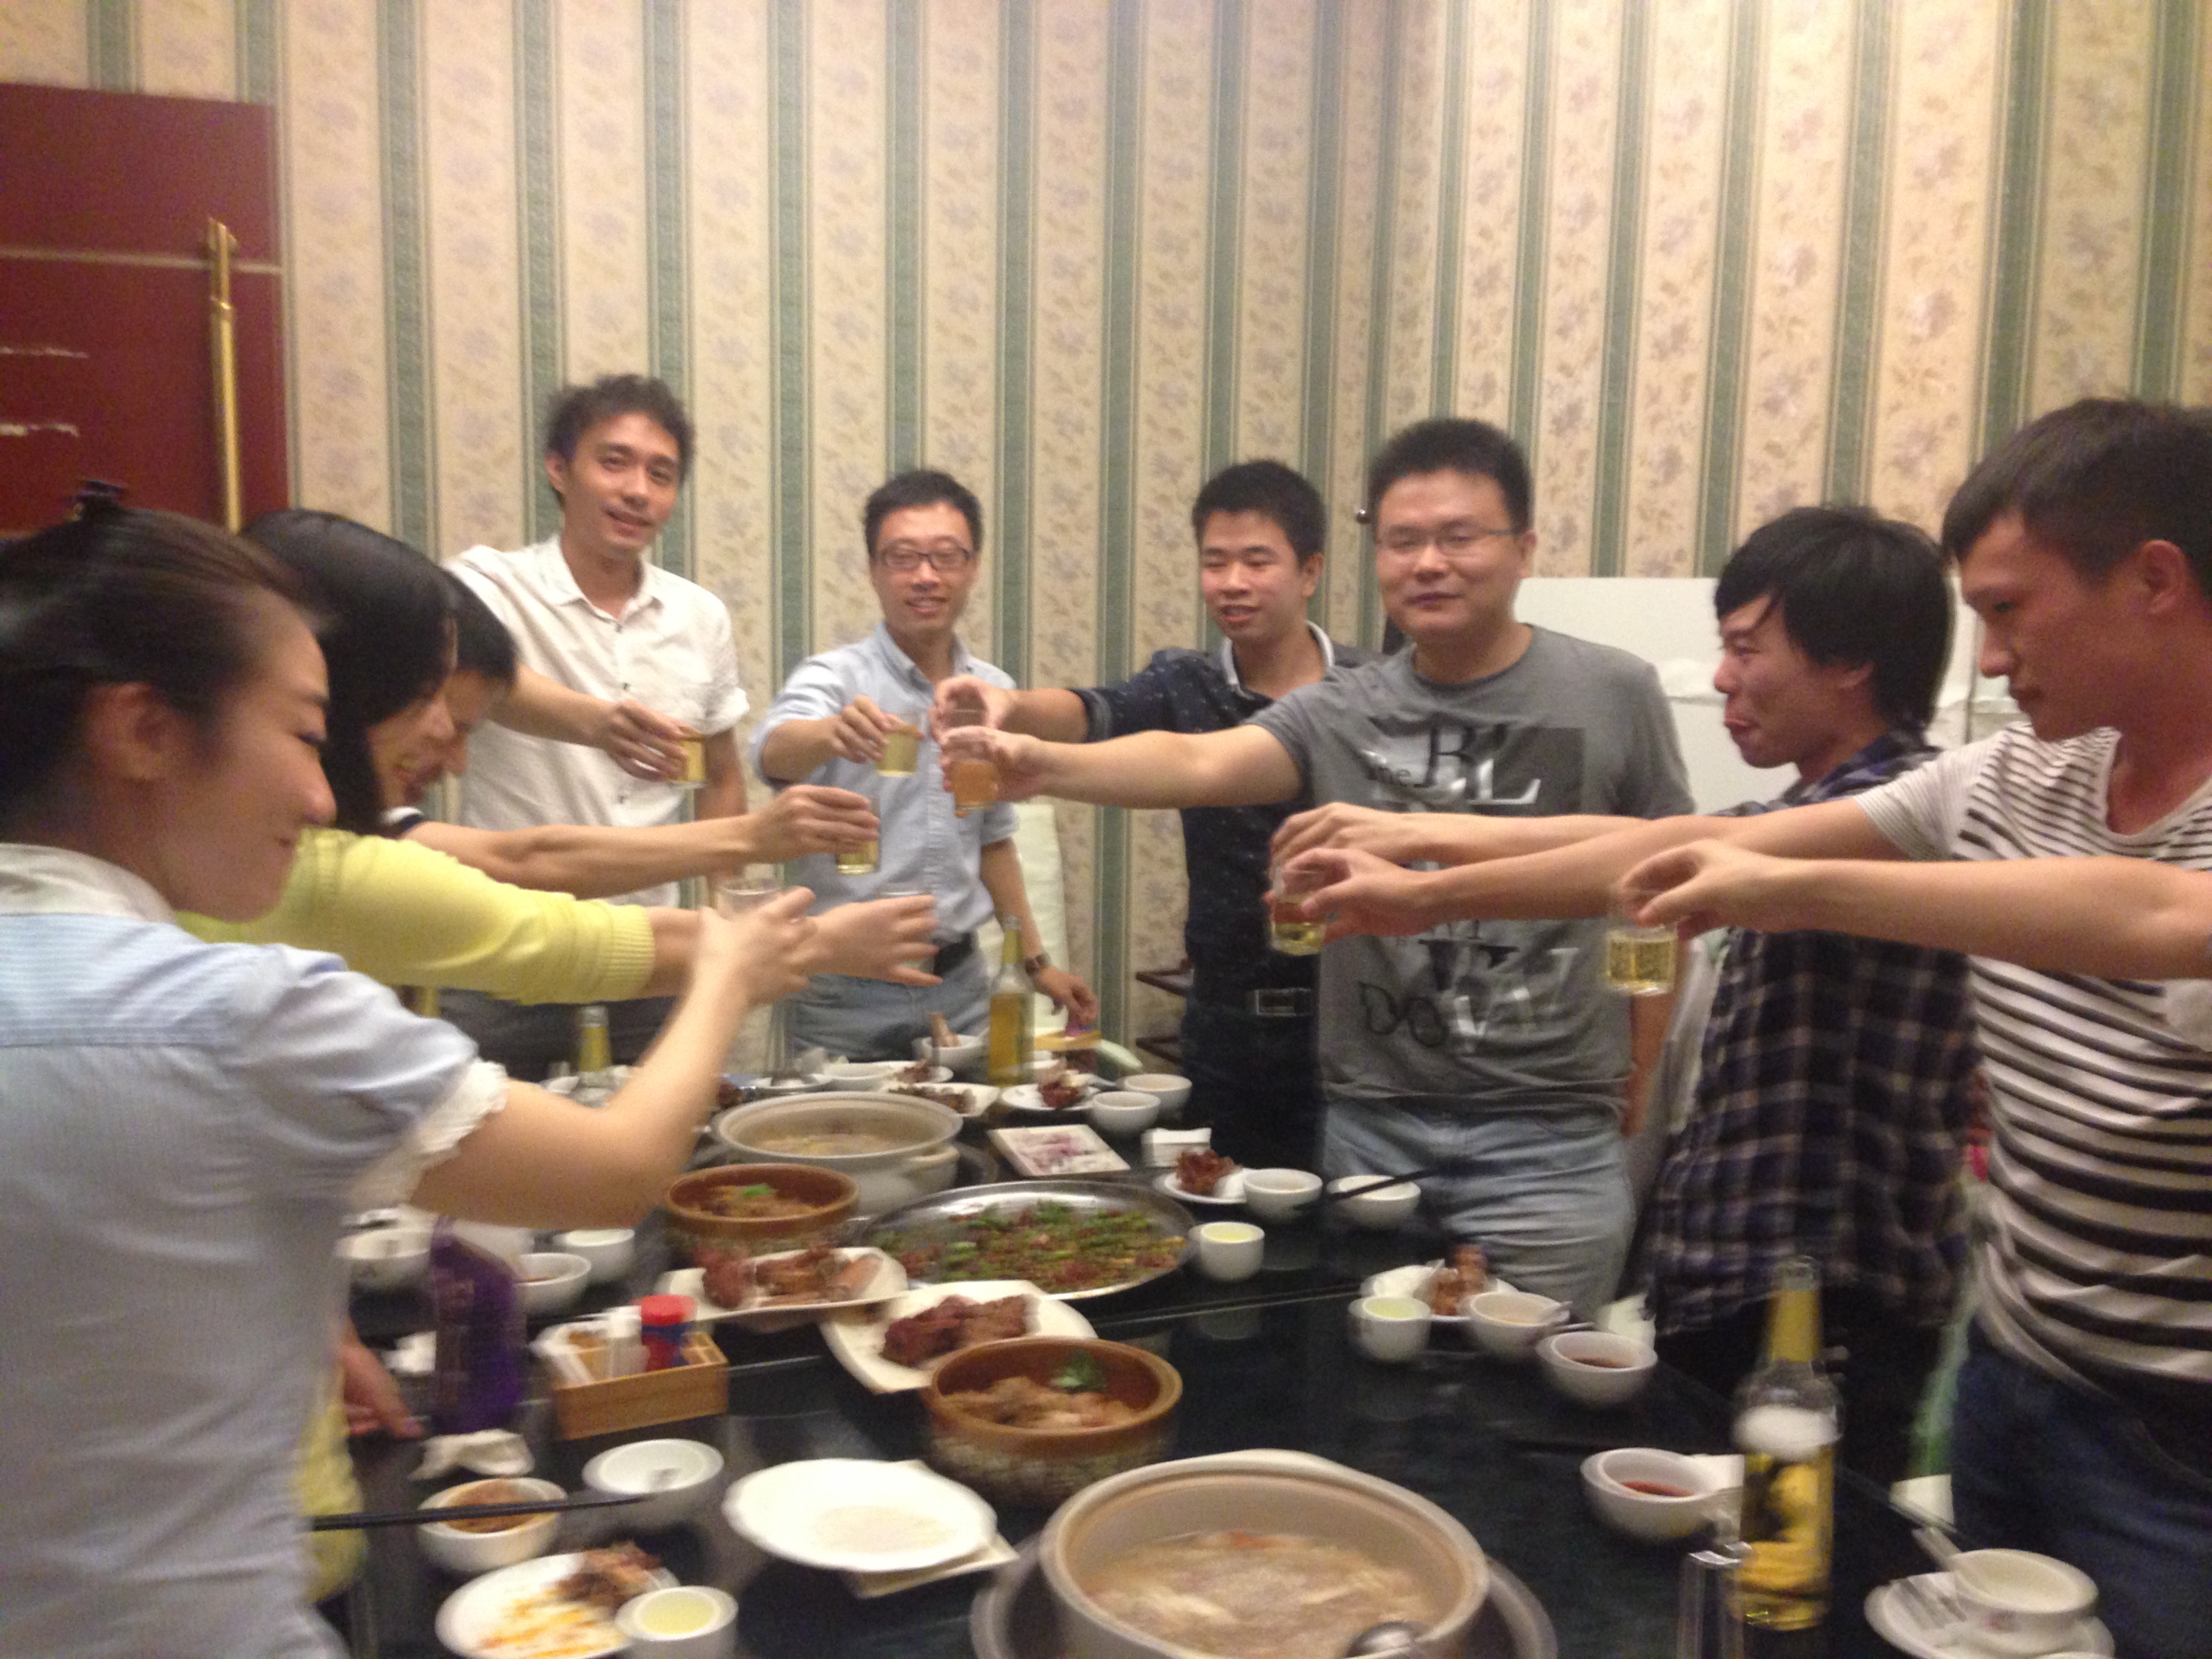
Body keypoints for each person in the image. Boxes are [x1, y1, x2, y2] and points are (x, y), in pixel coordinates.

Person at [1287, 400, 2212, 1659]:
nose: (1989, 659)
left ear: (2152, 582)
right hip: (2016, 1367)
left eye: (2008, 609)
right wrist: (1422, 874)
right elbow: (1686, 843)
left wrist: (1782, 885)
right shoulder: (2005, 778)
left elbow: (2158, 913)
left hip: (2176, 1426)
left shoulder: (2005, 809)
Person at [0, 502, 824, 1654]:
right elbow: (614, 1169)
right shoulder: (241, 1013)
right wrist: (726, 973)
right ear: (143, 729)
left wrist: (287, 1312)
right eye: (303, 734)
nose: (322, 795)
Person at [941, 419, 1693, 1315]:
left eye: (1459, 537)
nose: (1429, 564)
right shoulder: (1345, 706)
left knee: (1533, 1386)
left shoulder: (1613, 691)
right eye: (1403, 541)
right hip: (1376, 1131)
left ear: (1523, 548)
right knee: (1361, 1372)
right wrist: (1039, 762)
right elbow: (1199, 762)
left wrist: (1641, 1069)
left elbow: (1667, 887)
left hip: (1550, 1144)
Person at [1290, 506, 1978, 1482]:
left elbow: (1659, 861)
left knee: (1792, 1556)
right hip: (1731, 1275)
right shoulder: (1807, 808)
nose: (1724, 678)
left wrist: (1425, 886)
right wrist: (1417, 832)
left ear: (1850, 661)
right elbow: (1645, 841)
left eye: (1747, 648)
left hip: (1822, 1286)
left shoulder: (1904, 806)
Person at [183, 512, 937, 1014]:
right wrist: (805, 933)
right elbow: (535, 881)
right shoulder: (315, 871)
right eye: (427, 703)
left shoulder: (266, 853)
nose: (452, 754)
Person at [926, 461, 1366, 1168]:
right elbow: (1094, 710)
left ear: (1310, 571)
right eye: (1215, 562)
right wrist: (1013, 705)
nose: (1232, 582)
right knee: (1219, 1205)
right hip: (1226, 1022)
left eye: (1257, 561)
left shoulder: (1370, 693)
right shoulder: (1186, 683)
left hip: (1353, 1019)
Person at [445, 373, 749, 1071]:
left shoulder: (699, 617)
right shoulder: (491, 584)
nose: (638, 490)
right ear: (559, 469)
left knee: (666, 1137)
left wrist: (726, 913)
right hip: (505, 949)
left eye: (661, 474)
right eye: (614, 462)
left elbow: (722, 776)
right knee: (489, 1135)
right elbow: (471, 671)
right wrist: (595, 722)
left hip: (646, 954)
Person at [753, 469, 1099, 1057]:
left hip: (960, 985)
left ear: (973, 567)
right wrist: (832, 733)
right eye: (903, 558)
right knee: (839, 1123)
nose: (926, 576)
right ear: (874, 570)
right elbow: (771, 749)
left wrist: (1038, 965)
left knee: (974, 1119)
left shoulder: (992, 691)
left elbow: (993, 841)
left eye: (946, 556)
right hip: (842, 994)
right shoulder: (835, 677)